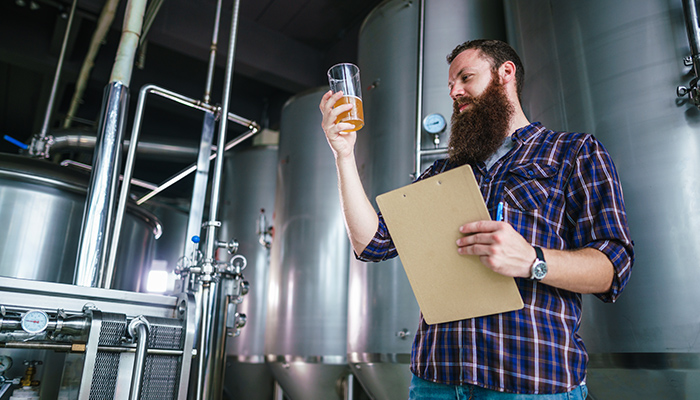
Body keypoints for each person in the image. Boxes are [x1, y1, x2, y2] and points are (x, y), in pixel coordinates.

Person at [319, 39, 634, 399]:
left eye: (465, 77)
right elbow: (371, 244)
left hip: (528, 382)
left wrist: (534, 260)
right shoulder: (441, 172)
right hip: (435, 380)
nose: (454, 91)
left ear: (505, 73)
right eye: (450, 84)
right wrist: (343, 155)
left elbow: (614, 267)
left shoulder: (573, 152)